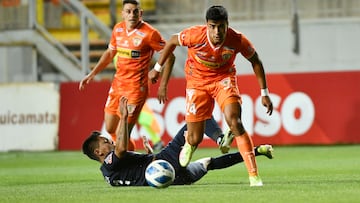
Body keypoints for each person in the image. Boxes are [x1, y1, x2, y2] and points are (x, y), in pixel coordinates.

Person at [148, 5, 273, 186]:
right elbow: (172, 41)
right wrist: (157, 68)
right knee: (195, 138)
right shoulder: (194, 35)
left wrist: (264, 93)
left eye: (221, 26)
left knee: (235, 122)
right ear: (207, 25)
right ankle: (189, 144)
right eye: (212, 26)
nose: (217, 31)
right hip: (196, 82)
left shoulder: (237, 39)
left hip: (223, 80)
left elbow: (256, 61)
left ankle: (254, 176)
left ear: (227, 25)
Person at [82, 96, 274, 187]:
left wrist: (146, 155)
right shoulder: (109, 163)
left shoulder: (109, 177)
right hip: (164, 163)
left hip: (175, 179)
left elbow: (135, 173)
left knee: (208, 163)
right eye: (106, 141)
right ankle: (220, 138)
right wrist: (124, 118)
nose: (111, 142)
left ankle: (257, 151)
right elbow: (122, 149)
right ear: (99, 152)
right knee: (198, 116)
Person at [79, 0, 175, 151]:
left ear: (140, 13)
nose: (132, 15)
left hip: (136, 90)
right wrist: (92, 73)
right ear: (122, 14)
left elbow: (170, 56)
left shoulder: (150, 33)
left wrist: (162, 83)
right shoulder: (118, 29)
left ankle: (129, 167)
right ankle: (130, 155)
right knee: (111, 129)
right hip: (117, 86)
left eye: (135, 11)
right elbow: (110, 53)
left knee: (122, 133)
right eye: (128, 11)